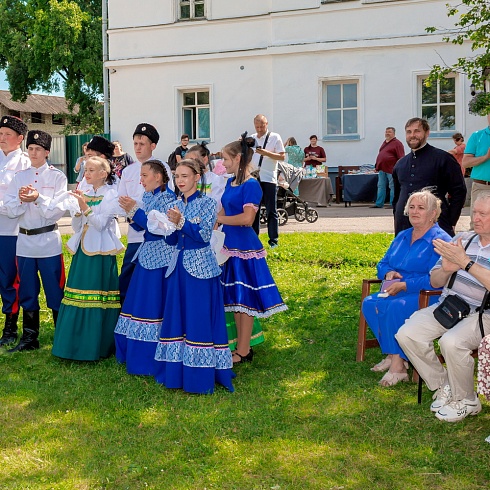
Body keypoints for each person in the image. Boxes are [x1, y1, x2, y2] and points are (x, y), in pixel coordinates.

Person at [395, 193, 490, 422]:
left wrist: (465, 262)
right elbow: (436, 281)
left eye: (483, 214)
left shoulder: (463, 250)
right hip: (449, 305)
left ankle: (467, 400)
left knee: (452, 342)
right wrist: (447, 268)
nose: (475, 218)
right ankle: (444, 385)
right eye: (474, 212)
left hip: (482, 314)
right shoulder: (463, 239)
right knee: (407, 334)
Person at [153, 159, 234, 394]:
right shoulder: (174, 203)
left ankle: (200, 375)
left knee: (198, 318)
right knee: (178, 318)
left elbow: (203, 236)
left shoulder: (208, 203)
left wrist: (181, 223)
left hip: (201, 267)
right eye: (177, 176)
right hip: (178, 266)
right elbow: (172, 240)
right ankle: (177, 373)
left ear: (197, 177)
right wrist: (165, 228)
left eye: (185, 176)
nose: (180, 181)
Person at [362, 190, 451, 385]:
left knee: (395, 306)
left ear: (434, 213)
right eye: (411, 207)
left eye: (421, 208)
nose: (414, 211)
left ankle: (398, 366)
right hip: (396, 288)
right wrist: (388, 274)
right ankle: (396, 354)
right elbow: (383, 263)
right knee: (370, 303)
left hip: (427, 294)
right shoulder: (403, 235)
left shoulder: (441, 240)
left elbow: (437, 279)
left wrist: (405, 284)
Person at [218, 136, 288, 363]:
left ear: (238, 158)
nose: (224, 163)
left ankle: (245, 349)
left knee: (245, 300)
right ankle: (240, 346)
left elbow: (248, 218)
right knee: (235, 300)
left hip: (244, 248)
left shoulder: (251, 185)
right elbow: (223, 212)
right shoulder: (230, 183)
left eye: (226, 159)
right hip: (227, 247)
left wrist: (220, 218)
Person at [52, 156, 125, 361]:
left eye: (92, 170)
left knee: (97, 298)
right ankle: (72, 346)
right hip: (83, 252)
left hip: (101, 253)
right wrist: (77, 211)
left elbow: (101, 224)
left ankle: (97, 347)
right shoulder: (86, 192)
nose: (87, 173)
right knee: (76, 296)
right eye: (86, 170)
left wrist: (84, 206)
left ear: (104, 174)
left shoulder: (110, 194)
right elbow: (77, 227)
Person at [3, 130, 66, 352]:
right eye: (30, 148)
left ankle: (62, 336)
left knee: (55, 290)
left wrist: (38, 198)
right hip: (25, 241)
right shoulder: (19, 177)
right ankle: (30, 338)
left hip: (48, 241)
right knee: (28, 290)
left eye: (38, 149)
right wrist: (21, 201)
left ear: (47, 152)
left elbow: (57, 211)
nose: (33, 152)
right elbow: (10, 209)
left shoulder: (58, 177)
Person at [114, 160, 175, 375]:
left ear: (158, 177)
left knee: (153, 303)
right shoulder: (149, 196)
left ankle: (150, 355)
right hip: (146, 255)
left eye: (144, 176)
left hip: (161, 258)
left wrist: (135, 211)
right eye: (140, 176)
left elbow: (158, 229)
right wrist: (132, 212)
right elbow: (143, 224)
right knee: (137, 301)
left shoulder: (169, 199)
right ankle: (130, 350)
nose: (141, 180)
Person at [118, 123, 174, 306]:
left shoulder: (162, 168)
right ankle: (126, 315)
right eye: (135, 143)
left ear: (153, 146)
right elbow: (120, 202)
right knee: (127, 277)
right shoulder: (127, 171)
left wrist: (137, 208)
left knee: (153, 282)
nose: (138, 147)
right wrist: (130, 211)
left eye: (142, 143)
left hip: (158, 239)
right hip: (135, 235)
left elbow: (168, 201)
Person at [392, 117, 466, 236]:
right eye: (409, 132)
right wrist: (397, 217)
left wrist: (452, 220)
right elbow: (396, 197)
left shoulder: (443, 159)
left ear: (427, 133)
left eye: (417, 131)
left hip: (436, 225)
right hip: (404, 227)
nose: (412, 135)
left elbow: (459, 191)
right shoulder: (400, 164)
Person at [0, 115, 30, 346]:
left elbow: (23, 200)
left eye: (7, 134)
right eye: (0, 134)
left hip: (11, 230)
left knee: (9, 278)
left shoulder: (26, 164)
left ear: (19, 138)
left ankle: (10, 326)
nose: (2, 138)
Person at [251, 114, 285, 248]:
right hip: (253, 178)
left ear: (267, 124)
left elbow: (281, 157)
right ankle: (254, 239)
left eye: (262, 126)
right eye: (257, 126)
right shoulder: (252, 139)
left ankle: (273, 240)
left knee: (272, 210)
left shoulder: (275, 137)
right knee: (254, 209)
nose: (259, 129)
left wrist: (266, 153)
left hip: (269, 178)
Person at [462, 114, 490, 229]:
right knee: (477, 225)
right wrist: (486, 157)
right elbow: (466, 162)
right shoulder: (477, 136)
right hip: (481, 186)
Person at [185, 142, 226, 210]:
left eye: (192, 160)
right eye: (186, 161)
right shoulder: (187, 180)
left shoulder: (216, 180)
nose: (189, 164)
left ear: (205, 159)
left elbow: (217, 206)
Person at [371, 127, 405, 209]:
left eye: (389, 132)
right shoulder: (384, 143)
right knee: (381, 186)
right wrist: (377, 165)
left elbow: (401, 157)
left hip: (391, 169)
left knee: (392, 186)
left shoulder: (397, 143)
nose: (387, 133)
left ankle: (393, 203)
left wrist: (399, 168)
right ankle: (379, 203)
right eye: (386, 132)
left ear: (394, 133)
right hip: (382, 168)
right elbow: (381, 155)